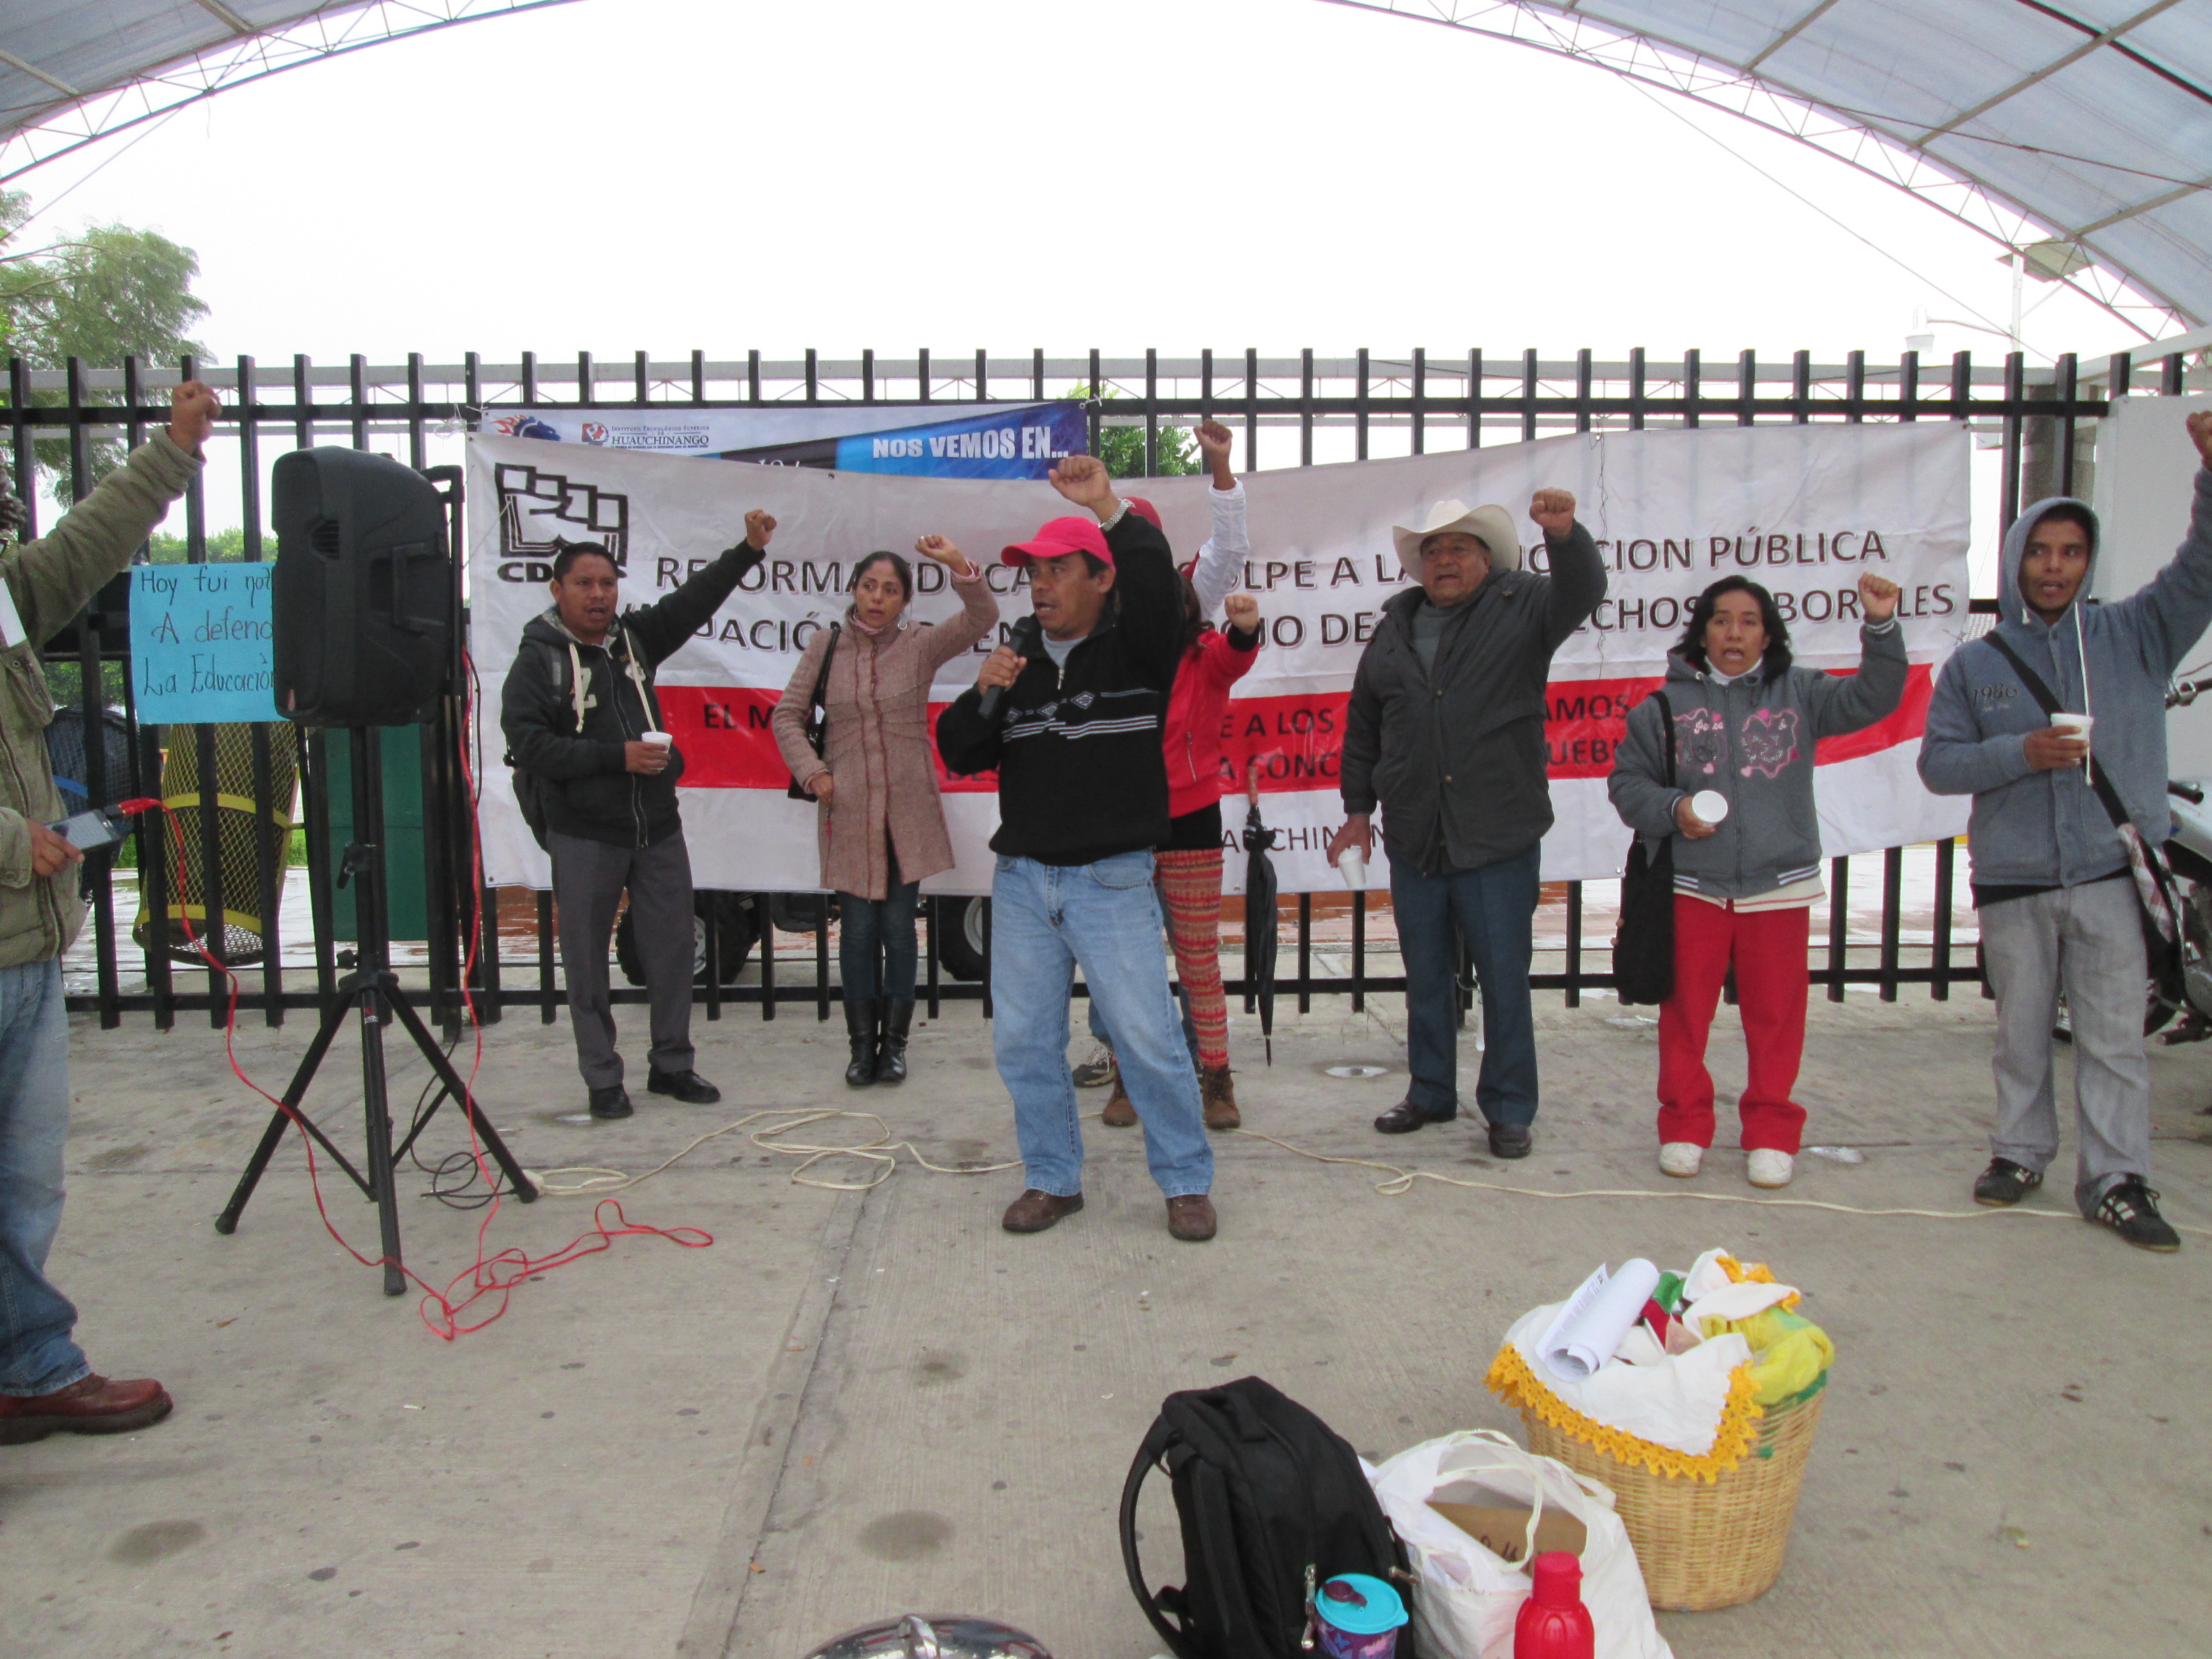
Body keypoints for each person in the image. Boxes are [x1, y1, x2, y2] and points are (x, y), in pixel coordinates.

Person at [1919, 409, 2212, 1252]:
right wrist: (2024, 751)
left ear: (2088, 562)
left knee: (2115, 1038)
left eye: (2071, 552)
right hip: (2015, 878)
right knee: (2019, 1034)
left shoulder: (2136, 635)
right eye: (2041, 552)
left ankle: (2119, 1178)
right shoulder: (1976, 664)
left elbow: (2201, 569)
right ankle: (2018, 1153)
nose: (2055, 568)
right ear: (2017, 561)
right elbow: (1941, 765)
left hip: (2109, 876)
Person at [0, 379, 218, 1444]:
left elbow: (79, 550)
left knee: (24, 1182)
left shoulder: (4, 594)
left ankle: (33, 1367)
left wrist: (172, 456)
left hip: (26, 949)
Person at [937, 454, 1216, 1242]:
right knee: (1024, 1042)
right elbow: (957, 750)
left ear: (1100, 579)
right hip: (1024, 882)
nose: (1043, 586)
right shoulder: (1016, 664)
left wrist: (1106, 504)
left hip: (1113, 880)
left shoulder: (1140, 653)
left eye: (1060, 570)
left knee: (1148, 1040)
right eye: (1034, 575)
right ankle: (1054, 1179)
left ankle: (1186, 1180)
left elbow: (1157, 580)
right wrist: (988, 689)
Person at [1328, 491, 1603, 1158]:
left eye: (1458, 547)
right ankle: (1430, 1093)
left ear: (1487, 559)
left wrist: (1564, 535)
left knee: (1503, 978)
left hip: (1496, 834)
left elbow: (1584, 589)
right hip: (1417, 833)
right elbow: (1365, 724)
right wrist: (1358, 812)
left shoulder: (1526, 606)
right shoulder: (1393, 626)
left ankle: (1509, 1107)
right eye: (1432, 550)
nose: (1443, 559)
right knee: (1424, 973)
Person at [1607, 571, 1906, 1189]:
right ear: (1702, 632)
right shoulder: (1663, 708)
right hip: (1692, 887)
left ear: (1767, 633)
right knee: (1684, 1014)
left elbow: (1875, 698)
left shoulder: (1801, 692)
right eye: (1721, 620)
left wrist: (1880, 627)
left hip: (1780, 887)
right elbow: (1627, 785)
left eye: (1748, 621)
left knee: (1776, 1017)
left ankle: (1772, 1133)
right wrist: (1674, 812)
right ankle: (1685, 1127)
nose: (1734, 632)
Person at [500, 516, 775, 1120]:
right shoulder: (537, 661)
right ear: (558, 590)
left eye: (607, 583)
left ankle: (672, 1064)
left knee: (673, 949)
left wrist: (748, 549)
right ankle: (602, 1077)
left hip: (656, 827)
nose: (599, 594)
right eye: (584, 583)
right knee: (586, 960)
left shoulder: (634, 640)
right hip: (583, 833)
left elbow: (693, 600)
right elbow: (530, 746)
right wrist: (614, 758)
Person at [1077, 419, 1259, 1130]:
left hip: (1188, 817)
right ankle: (1130, 1079)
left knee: (1197, 959)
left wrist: (1219, 467)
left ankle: (1216, 1078)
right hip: (1120, 817)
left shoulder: (1199, 635)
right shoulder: (1098, 640)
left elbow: (1234, 624)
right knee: (1127, 968)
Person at [773, 536, 998, 1086]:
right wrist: (814, 770)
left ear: (904, 602)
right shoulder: (825, 645)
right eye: (869, 586)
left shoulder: (920, 645)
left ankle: (894, 1046)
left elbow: (983, 615)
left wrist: (956, 565)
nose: (877, 597)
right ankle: (859, 1050)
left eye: (891, 590)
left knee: (899, 930)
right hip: (847, 810)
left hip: (906, 813)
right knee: (855, 934)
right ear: (853, 590)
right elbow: (786, 716)